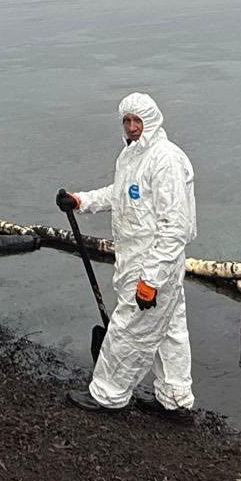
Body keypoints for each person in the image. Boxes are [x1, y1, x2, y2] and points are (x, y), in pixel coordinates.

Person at [56, 92, 197, 419]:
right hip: (136, 259)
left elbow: (175, 226)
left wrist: (151, 279)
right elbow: (120, 193)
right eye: (127, 121)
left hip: (152, 264)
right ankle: (174, 400)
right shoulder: (131, 155)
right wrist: (82, 201)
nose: (132, 127)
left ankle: (108, 394)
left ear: (152, 121)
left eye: (137, 121)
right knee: (170, 332)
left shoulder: (166, 160)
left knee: (128, 328)